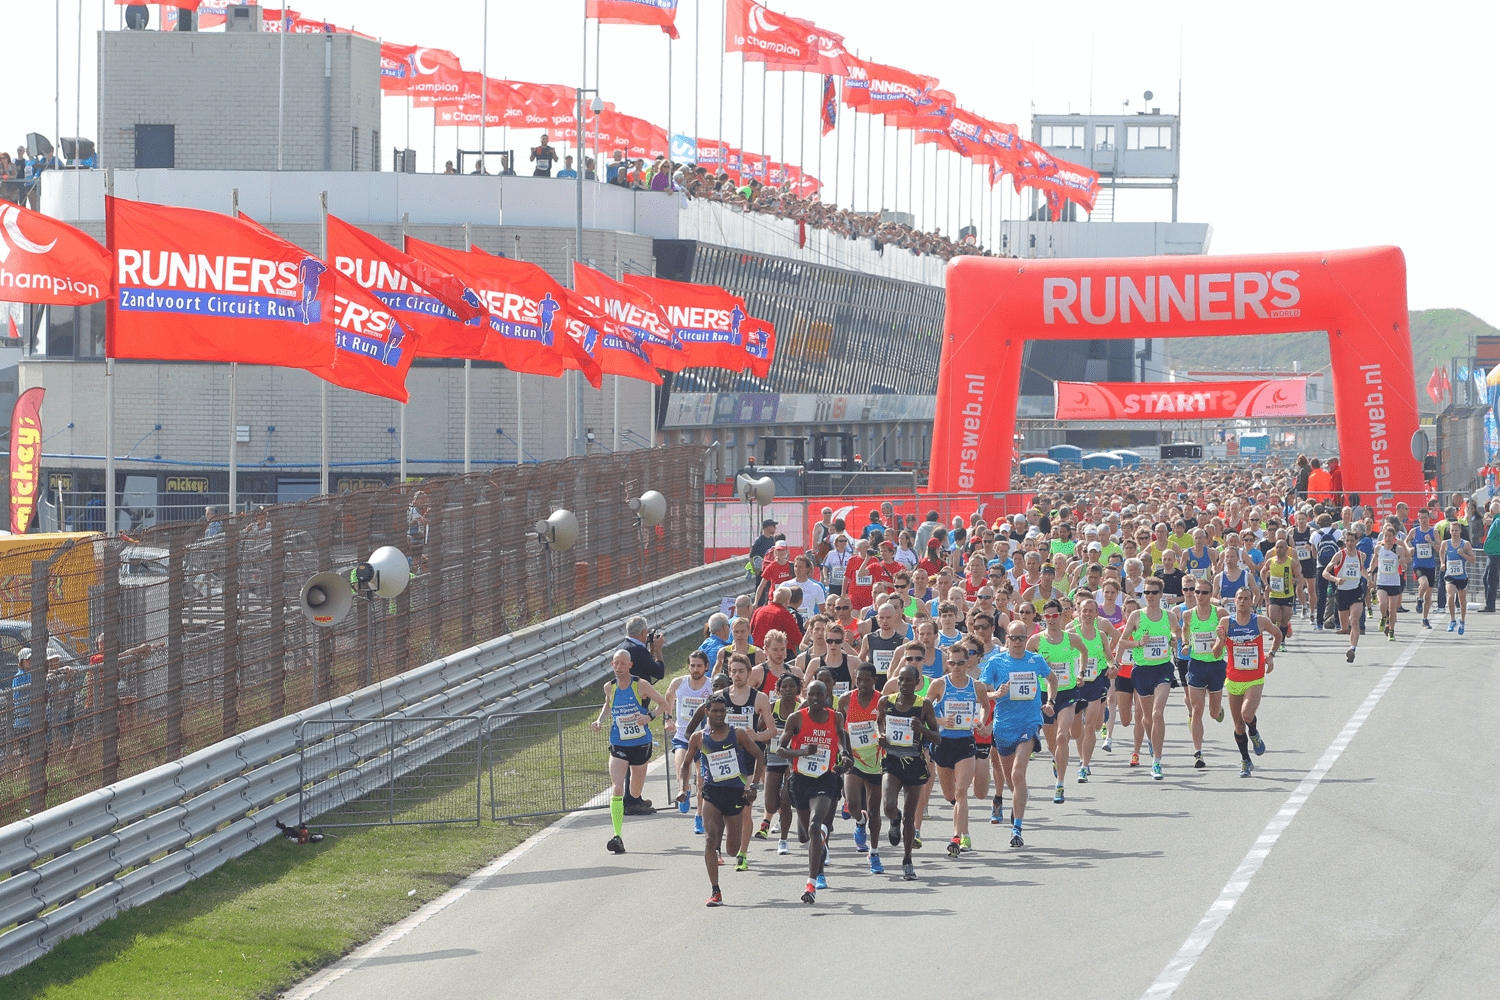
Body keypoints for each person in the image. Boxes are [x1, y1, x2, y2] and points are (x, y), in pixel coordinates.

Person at [677, 694, 764, 906]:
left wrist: (753, 787)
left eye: (722, 711)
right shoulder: (698, 738)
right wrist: (683, 787)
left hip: (734, 794)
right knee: (710, 840)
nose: (719, 715)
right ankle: (715, 891)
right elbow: (686, 763)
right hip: (712, 793)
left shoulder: (738, 734)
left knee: (732, 850)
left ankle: (729, 845)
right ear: (706, 712)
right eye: (715, 711)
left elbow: (760, 756)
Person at [980, 622, 1055, 848]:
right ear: (1007, 640)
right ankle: (1018, 797)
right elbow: (982, 692)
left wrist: (1050, 701)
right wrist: (996, 693)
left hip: (1029, 723)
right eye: (1014, 638)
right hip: (1003, 727)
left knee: (1018, 773)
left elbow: (1052, 679)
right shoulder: (996, 662)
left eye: (1022, 637)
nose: (1018, 642)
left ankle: (1017, 827)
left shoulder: (1035, 660)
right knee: (1012, 780)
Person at [776, 679, 849, 903]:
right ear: (806, 696)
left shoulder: (835, 717)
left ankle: (811, 882)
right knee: (805, 835)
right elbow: (780, 750)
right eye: (811, 695)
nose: (815, 699)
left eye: (820, 695)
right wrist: (802, 752)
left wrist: (845, 754)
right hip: (800, 780)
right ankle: (822, 841)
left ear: (827, 696)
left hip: (824, 779)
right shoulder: (796, 718)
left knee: (815, 826)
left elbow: (842, 737)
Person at [591, 650, 668, 853]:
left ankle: (634, 799)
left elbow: (664, 703)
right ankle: (617, 836)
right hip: (619, 742)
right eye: (616, 663)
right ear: (612, 664)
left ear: (630, 665)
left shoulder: (640, 685)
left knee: (634, 792)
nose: (619, 667)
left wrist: (649, 717)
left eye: (623, 664)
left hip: (641, 743)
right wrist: (599, 720)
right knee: (617, 788)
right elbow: (608, 705)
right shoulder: (610, 687)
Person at [926, 641, 992, 855]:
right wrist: (942, 721)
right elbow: (925, 711)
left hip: (965, 742)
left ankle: (957, 836)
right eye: (952, 663)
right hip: (943, 743)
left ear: (968, 662)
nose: (956, 667)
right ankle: (964, 829)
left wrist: (981, 721)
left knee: (962, 791)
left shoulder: (977, 686)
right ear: (947, 664)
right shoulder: (939, 684)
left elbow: (985, 705)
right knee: (950, 795)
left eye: (960, 663)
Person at [877, 661, 941, 880]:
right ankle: (894, 819)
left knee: (910, 817)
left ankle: (907, 860)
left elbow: (937, 737)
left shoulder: (924, 706)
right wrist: (881, 737)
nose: (903, 683)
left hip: (914, 763)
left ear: (917, 682)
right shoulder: (886, 702)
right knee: (888, 806)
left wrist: (921, 729)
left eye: (908, 680)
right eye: (900, 679)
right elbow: (879, 724)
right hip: (892, 761)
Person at [1216, 587, 1283, 777]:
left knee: (1246, 714)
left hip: (1254, 678)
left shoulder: (1260, 621)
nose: (1243, 601)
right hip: (1233, 679)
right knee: (1238, 725)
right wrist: (1221, 640)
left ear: (1252, 601)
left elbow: (1278, 634)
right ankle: (1246, 760)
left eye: (1246, 598)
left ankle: (1253, 732)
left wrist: (1270, 655)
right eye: (1240, 598)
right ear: (1234, 601)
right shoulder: (1226, 622)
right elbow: (1216, 652)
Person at [1027, 599, 1088, 803]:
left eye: (1055, 615)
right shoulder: (1036, 641)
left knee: (1063, 736)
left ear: (1062, 616)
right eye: (1048, 616)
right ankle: (1057, 759)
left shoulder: (1071, 638)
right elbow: (1026, 663)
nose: (1052, 619)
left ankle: (1060, 784)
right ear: (1044, 618)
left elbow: (1084, 652)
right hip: (1045, 695)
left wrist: (1081, 673)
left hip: (1068, 692)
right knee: (1053, 742)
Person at [1118, 577, 1179, 780]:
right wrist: (1137, 643)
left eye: (1154, 593)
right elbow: (1122, 641)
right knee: (1146, 717)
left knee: (1157, 713)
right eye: (1146, 593)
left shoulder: (1169, 616)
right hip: (1142, 670)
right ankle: (1152, 740)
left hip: (1163, 669)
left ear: (1161, 594)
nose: (1150, 596)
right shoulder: (1136, 615)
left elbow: (1177, 634)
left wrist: (1174, 640)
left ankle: (1157, 762)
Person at [837, 662, 887, 874]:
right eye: (859, 679)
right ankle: (859, 821)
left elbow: (885, 725)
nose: (863, 683)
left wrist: (884, 736)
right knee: (853, 803)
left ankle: (874, 853)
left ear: (875, 680)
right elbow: (839, 729)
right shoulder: (846, 700)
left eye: (867, 679)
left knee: (875, 810)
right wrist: (843, 751)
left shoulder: (881, 700)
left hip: (876, 761)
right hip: (854, 760)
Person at [664, 650, 716, 832]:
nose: (695, 669)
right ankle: (684, 790)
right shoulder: (679, 683)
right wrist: (668, 718)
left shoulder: (711, 687)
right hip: (682, 736)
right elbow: (668, 696)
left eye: (699, 666)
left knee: (701, 780)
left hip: (703, 739)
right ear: (688, 666)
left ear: (706, 667)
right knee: (680, 767)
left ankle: (699, 815)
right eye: (692, 665)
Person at [1179, 578, 1226, 769]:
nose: (1199, 596)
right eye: (1197, 592)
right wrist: (1185, 644)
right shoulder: (1188, 615)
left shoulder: (1220, 614)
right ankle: (1198, 752)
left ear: (1211, 595)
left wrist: (1221, 641)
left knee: (1213, 713)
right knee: (1197, 709)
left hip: (1215, 666)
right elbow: (1184, 631)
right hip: (1196, 665)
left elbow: (1228, 636)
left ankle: (1219, 709)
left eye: (1204, 593)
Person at [754, 671, 802, 854]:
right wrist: (765, 738)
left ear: (798, 689)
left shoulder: (801, 708)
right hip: (773, 757)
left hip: (793, 759)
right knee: (770, 804)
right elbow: (758, 732)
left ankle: (783, 840)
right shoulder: (772, 707)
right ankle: (777, 819)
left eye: (792, 686)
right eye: (784, 687)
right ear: (778, 690)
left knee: (786, 798)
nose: (788, 689)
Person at [1323, 532, 1369, 662]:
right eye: (1347, 540)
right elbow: (1325, 572)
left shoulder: (1361, 556)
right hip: (1342, 592)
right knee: (1345, 626)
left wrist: (1368, 579)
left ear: (1356, 542)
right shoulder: (1339, 555)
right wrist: (1336, 579)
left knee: (1354, 620)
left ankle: (1352, 648)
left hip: (1356, 591)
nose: (1349, 543)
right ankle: (1345, 632)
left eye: (1352, 540)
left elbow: (1361, 569)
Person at [1372, 526, 1411, 641]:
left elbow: (1404, 564)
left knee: (1392, 608)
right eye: (1386, 536)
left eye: (1390, 536)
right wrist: (1370, 571)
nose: (1388, 538)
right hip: (1382, 581)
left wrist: (1402, 564)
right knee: (1383, 602)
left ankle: (1391, 630)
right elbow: (1374, 561)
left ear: (1394, 537)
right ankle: (1384, 617)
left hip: (1394, 581)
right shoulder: (1379, 548)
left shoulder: (1399, 549)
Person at [1410, 507, 1440, 627]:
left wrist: (1431, 542)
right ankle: (1419, 598)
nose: (1423, 520)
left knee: (1429, 596)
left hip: (1430, 566)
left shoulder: (1434, 532)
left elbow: (1439, 548)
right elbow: (1406, 542)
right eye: (1421, 518)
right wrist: (1409, 548)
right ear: (1418, 519)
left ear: (1428, 518)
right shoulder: (1414, 531)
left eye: (1425, 518)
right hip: (1418, 565)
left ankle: (1424, 618)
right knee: (1424, 584)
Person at [1442, 521, 1474, 634]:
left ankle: (1463, 620)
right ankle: (1452, 620)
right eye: (1452, 530)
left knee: (1462, 600)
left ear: (1460, 531)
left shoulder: (1465, 544)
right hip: (1450, 576)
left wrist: (1463, 555)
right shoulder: (1445, 544)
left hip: (1462, 576)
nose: (1454, 532)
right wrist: (1442, 563)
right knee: (1450, 596)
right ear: (1449, 531)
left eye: (1456, 530)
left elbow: (1473, 560)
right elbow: (1441, 552)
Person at [620, 616, 666, 683]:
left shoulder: (619, 648)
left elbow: (644, 665)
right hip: (639, 691)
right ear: (643, 632)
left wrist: (652, 651)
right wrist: (658, 650)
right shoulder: (639, 650)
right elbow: (659, 673)